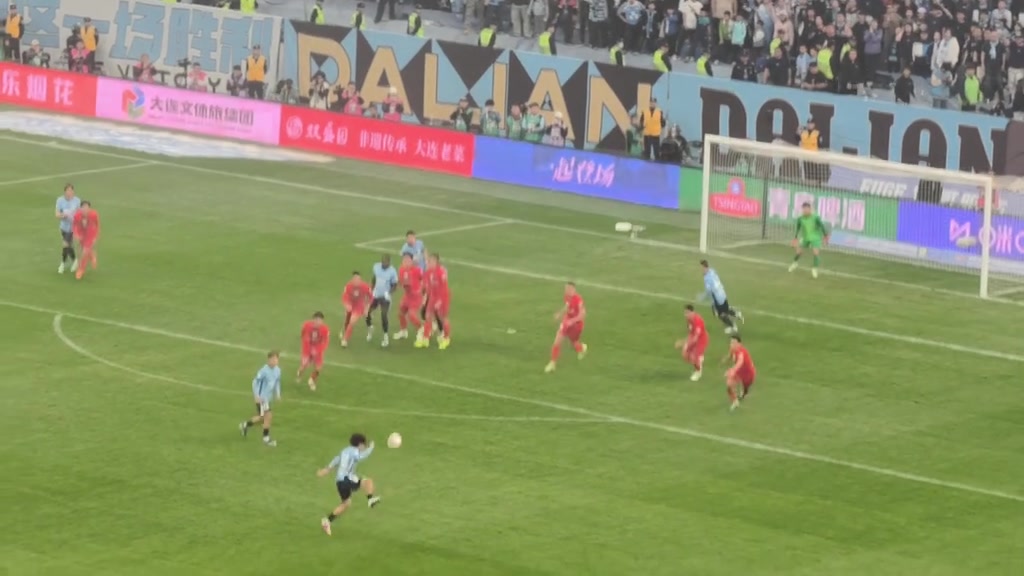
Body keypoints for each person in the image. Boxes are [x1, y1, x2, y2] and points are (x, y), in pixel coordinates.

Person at [318, 433, 381, 536]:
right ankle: (370, 499)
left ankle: (327, 521)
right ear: (360, 444)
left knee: (346, 503)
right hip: (347, 479)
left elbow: (336, 459)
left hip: (339, 482)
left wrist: (327, 469)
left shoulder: (345, 451)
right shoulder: (354, 450)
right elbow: (360, 457)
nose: (364, 447)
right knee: (368, 481)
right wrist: (370, 448)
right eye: (364, 445)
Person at [239, 351, 281, 446]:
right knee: (268, 416)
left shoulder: (278, 370)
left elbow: (277, 382)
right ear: (269, 359)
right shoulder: (263, 371)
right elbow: (255, 382)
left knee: (262, 417)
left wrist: (278, 394)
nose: (275, 361)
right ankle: (266, 439)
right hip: (262, 398)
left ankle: (245, 425)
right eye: (274, 359)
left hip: (267, 398)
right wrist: (257, 395)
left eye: (277, 359)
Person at [545, 281, 587, 373]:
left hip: (577, 325)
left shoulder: (578, 300)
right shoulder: (567, 297)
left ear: (574, 289)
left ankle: (581, 348)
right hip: (566, 322)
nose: (567, 290)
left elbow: (582, 315)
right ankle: (552, 363)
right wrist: (559, 314)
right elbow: (567, 306)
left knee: (574, 342)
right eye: (566, 288)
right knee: (557, 341)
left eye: (569, 288)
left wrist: (572, 321)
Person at [417, 253, 451, 349]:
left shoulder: (441, 272)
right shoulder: (428, 272)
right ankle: (425, 338)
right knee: (428, 316)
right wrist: (425, 297)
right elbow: (427, 286)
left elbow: (444, 288)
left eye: (431, 261)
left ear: (436, 262)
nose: (429, 263)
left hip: (443, 297)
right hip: (433, 297)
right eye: (429, 261)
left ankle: (446, 338)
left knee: (442, 318)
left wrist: (439, 301)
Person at [787, 201, 829, 279]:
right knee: (799, 252)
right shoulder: (800, 219)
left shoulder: (815, 217)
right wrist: (795, 237)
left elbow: (822, 225)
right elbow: (798, 227)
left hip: (815, 237)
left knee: (815, 252)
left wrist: (825, 235)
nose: (805, 210)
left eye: (807, 209)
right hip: (805, 237)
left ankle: (814, 268)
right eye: (804, 209)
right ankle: (795, 263)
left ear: (810, 209)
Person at [699, 259, 743, 334]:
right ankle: (737, 314)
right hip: (723, 293)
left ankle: (733, 327)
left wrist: (702, 297)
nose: (701, 270)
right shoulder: (712, 271)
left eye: (701, 268)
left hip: (718, 298)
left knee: (721, 315)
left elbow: (709, 291)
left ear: (704, 267)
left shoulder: (707, 278)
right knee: (726, 309)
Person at [366, 255, 399, 348]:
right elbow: (374, 278)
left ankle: (385, 336)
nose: (384, 264)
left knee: (384, 315)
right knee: (368, 313)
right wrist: (371, 288)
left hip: (385, 297)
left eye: (386, 263)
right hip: (376, 295)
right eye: (383, 262)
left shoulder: (392, 271)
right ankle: (370, 328)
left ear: (389, 262)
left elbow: (395, 285)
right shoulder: (376, 267)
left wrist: (389, 293)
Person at [393, 253, 424, 341]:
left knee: (411, 315)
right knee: (400, 313)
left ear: (411, 261)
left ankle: (421, 330)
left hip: (415, 297)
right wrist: (396, 286)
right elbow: (400, 281)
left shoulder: (417, 270)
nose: (405, 262)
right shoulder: (401, 269)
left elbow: (424, 280)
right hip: (407, 296)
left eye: (407, 260)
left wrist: (420, 290)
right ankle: (403, 332)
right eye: (404, 260)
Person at [296, 312, 330, 390]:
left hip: (318, 350)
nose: (319, 322)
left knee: (318, 368)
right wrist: (309, 349)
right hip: (307, 349)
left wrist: (318, 350)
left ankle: (311, 380)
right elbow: (303, 334)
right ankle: (299, 375)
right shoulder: (307, 325)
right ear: (313, 320)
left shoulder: (325, 329)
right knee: (304, 366)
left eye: (320, 320)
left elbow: (326, 342)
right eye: (317, 320)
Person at [676, 304, 707, 381]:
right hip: (693, 338)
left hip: (701, 340)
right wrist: (685, 342)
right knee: (685, 355)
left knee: (694, 357)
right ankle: (699, 359)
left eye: (687, 313)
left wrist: (683, 343)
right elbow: (691, 333)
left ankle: (698, 372)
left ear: (692, 312)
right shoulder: (689, 320)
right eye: (685, 313)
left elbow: (696, 338)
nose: (685, 315)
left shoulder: (698, 321)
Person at [724, 335, 755, 411]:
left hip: (748, 373)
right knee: (729, 385)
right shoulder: (733, 349)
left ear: (739, 344)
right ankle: (735, 402)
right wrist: (725, 359)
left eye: (734, 343)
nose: (732, 344)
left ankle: (744, 393)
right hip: (738, 372)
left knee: (746, 388)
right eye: (731, 342)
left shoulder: (741, 352)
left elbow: (740, 362)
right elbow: (730, 355)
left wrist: (732, 370)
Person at [340, 271, 372, 347]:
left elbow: (371, 297)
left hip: (359, 306)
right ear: (352, 279)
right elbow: (344, 296)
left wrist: (367, 308)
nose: (356, 281)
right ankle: (345, 330)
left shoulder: (365, 287)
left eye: (358, 279)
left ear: (360, 280)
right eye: (355, 279)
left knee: (352, 322)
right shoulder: (348, 286)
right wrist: (346, 304)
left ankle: (345, 340)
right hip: (350, 303)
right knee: (347, 319)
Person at [55, 183, 80, 275]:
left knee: (65, 244)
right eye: (68, 190)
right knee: (68, 246)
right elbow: (57, 214)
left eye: (71, 190)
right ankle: (75, 260)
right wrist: (63, 215)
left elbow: (79, 213)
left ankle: (62, 264)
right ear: (65, 191)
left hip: (73, 227)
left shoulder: (77, 200)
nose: (70, 192)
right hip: (64, 227)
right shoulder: (60, 200)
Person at [72, 200, 99, 280]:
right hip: (82, 234)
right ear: (80, 208)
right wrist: (76, 234)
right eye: (83, 207)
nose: (85, 209)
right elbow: (74, 225)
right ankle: (92, 256)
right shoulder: (77, 215)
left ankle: (81, 269)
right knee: (83, 250)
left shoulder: (94, 214)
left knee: (84, 252)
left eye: (87, 207)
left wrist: (95, 237)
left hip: (90, 234)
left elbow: (97, 225)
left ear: (89, 208)